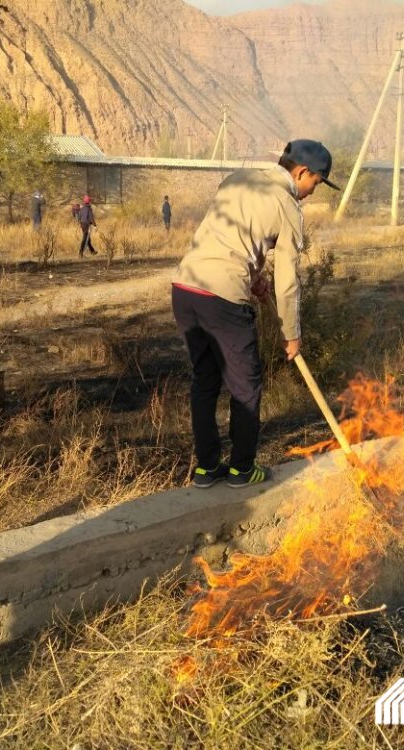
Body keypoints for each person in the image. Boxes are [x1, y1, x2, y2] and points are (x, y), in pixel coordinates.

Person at [171, 139, 339, 489]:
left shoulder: (238, 179)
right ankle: (243, 469)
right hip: (222, 299)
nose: (312, 192)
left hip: (185, 288)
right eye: (316, 182)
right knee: (245, 387)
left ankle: (206, 469)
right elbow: (288, 278)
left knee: (205, 381)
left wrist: (253, 275)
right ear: (302, 172)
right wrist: (291, 334)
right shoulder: (287, 205)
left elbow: (231, 237)